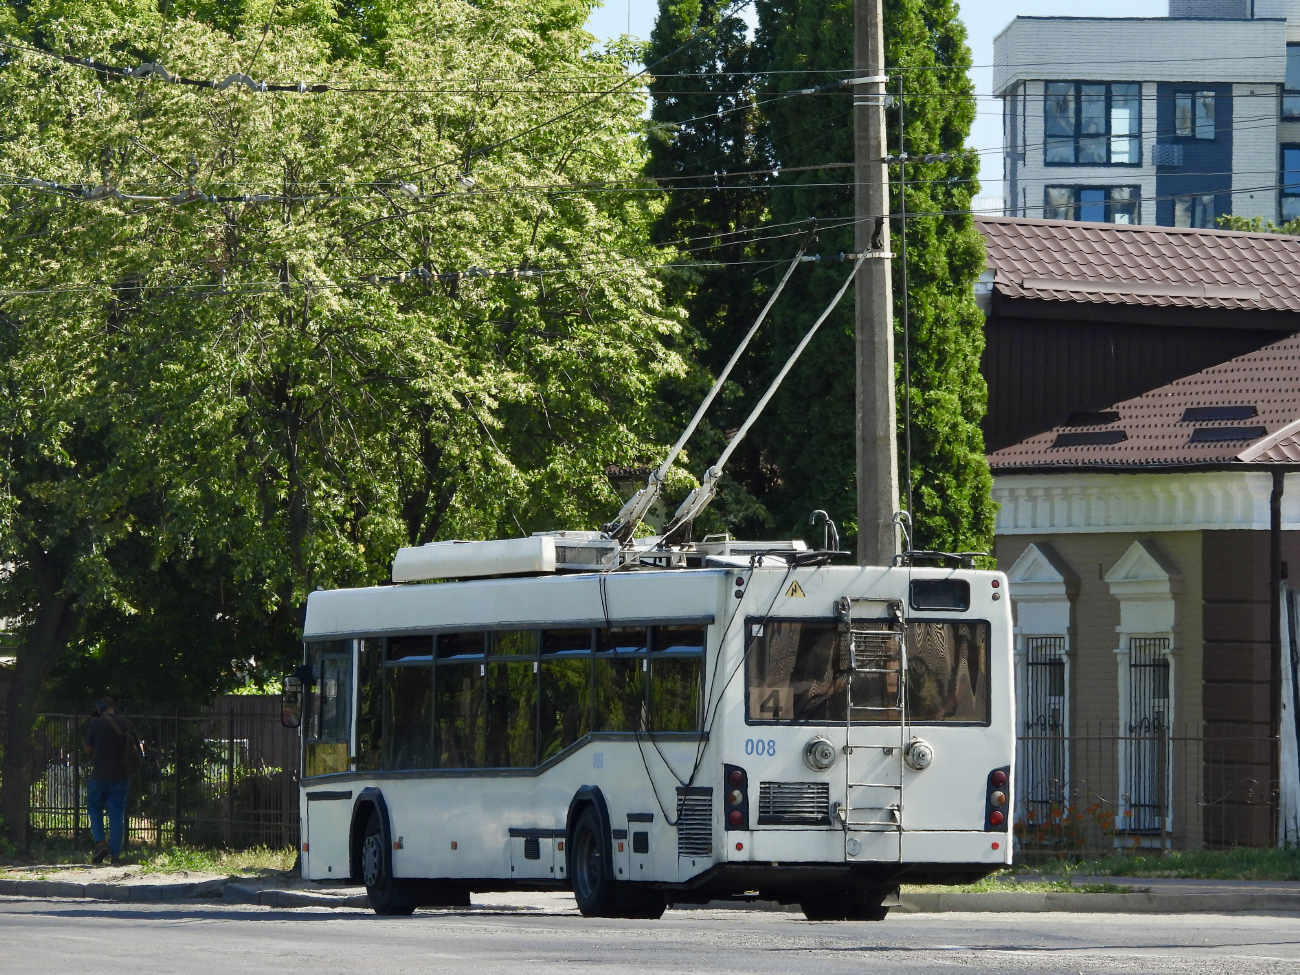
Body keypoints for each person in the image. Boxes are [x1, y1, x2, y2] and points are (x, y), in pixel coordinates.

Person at [83, 697, 138, 865]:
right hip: (121, 776)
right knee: (117, 813)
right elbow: (137, 746)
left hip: (99, 775)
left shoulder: (95, 724)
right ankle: (115, 855)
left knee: (95, 808)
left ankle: (100, 843)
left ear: (101, 707)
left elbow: (88, 749)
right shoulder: (126, 723)